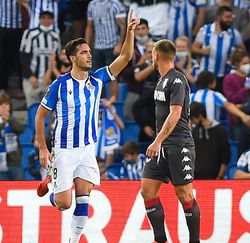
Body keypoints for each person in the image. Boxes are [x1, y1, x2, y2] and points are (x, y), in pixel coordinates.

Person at [34, 10, 139, 243]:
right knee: (64, 203)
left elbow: (125, 57)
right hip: (64, 149)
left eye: (90, 52)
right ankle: (52, 188)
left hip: (87, 148)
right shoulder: (59, 85)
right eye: (84, 53)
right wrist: (43, 148)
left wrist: (130, 31)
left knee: (84, 198)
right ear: (73, 58)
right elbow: (40, 116)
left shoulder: (98, 79)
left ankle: (73, 240)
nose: (89, 56)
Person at [141, 39, 200, 243]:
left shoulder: (177, 79)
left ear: (156, 56)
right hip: (163, 146)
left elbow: (175, 113)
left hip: (179, 144)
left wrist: (157, 141)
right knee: (147, 190)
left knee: (184, 193)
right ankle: (160, 239)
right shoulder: (161, 80)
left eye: (152, 53)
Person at [190, 102, 230, 179]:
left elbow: (225, 156)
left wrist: (220, 176)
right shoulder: (195, 131)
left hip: (214, 177)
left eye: (192, 118)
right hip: (196, 177)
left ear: (200, 116)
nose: (192, 122)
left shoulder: (220, 130)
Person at [0, 91, 24, 180]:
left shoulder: (14, 119)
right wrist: (3, 123)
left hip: (15, 162)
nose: (3, 106)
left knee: (19, 189)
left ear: (10, 106)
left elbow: (21, 129)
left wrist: (9, 119)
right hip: (0, 162)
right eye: (1, 104)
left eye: (6, 104)